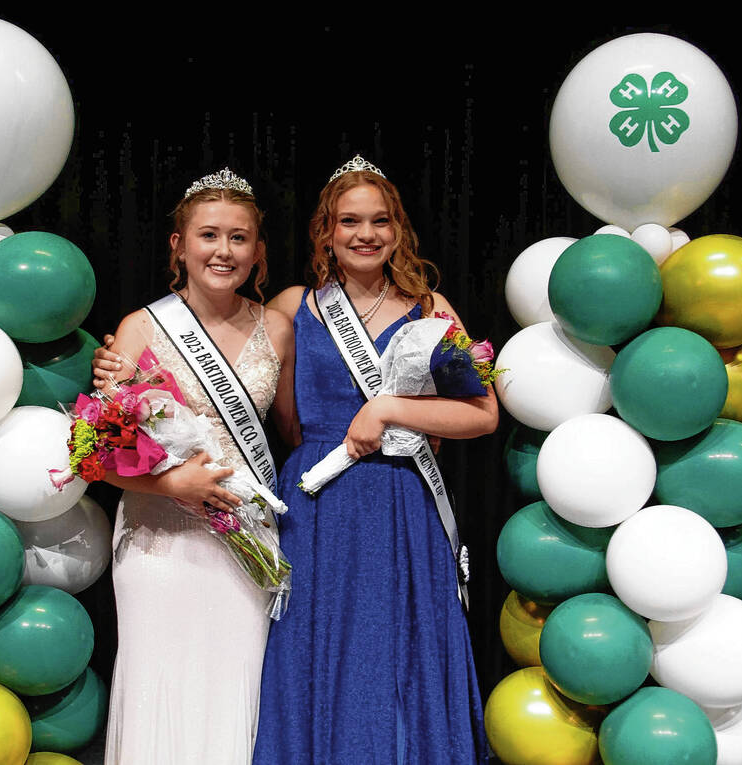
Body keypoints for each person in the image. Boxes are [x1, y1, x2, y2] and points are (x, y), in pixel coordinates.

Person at [253, 156, 496, 764]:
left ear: (398, 229)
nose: (366, 235)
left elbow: (482, 414)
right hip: (320, 500)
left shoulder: (430, 307)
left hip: (402, 500)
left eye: (380, 221)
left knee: (397, 646)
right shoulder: (293, 305)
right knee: (318, 643)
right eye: (350, 221)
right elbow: (282, 416)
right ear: (326, 232)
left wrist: (390, 410)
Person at [93, 168, 295, 764]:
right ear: (179, 245)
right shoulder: (140, 327)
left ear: (258, 251)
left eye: (239, 238)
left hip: (244, 538)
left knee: (233, 683)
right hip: (161, 538)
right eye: (208, 235)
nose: (223, 250)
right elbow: (92, 456)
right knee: (160, 683)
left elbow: (295, 435)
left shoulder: (277, 330)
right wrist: (173, 482)